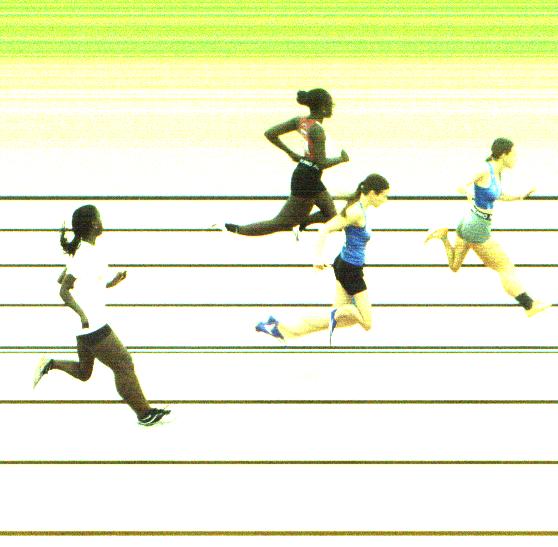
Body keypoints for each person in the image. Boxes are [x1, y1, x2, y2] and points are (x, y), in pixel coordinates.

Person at [32, 205, 171, 426]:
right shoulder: (85, 254)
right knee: (123, 363)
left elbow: (72, 279)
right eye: (99, 218)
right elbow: (63, 289)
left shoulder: (84, 251)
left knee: (84, 372)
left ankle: (50, 363)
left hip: (85, 326)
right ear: (93, 224)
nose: (102, 222)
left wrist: (113, 281)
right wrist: (83, 314)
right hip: (92, 324)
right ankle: (144, 413)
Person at [256, 174, 390, 345]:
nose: (385, 200)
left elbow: (337, 193)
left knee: (341, 320)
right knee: (366, 322)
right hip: (350, 270)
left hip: (346, 265)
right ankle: (347, 309)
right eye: (384, 195)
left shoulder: (359, 206)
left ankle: (283, 329)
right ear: (372, 193)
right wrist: (318, 257)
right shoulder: (355, 212)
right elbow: (325, 229)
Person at [425, 138, 550, 317]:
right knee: (505, 267)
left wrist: (521, 196)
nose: (516, 159)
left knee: (454, 266)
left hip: (468, 222)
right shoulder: (485, 169)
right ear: (503, 155)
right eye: (513, 155)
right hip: (477, 227)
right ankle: (529, 306)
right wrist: (468, 193)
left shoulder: (496, 172)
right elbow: (461, 184)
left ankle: (444, 236)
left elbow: (499, 195)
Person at [224, 88, 349, 237]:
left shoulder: (301, 122)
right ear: (322, 107)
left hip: (308, 174)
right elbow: (321, 163)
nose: (332, 107)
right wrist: (341, 159)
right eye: (330, 104)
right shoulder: (318, 130)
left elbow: (270, 133)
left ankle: (301, 223)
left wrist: (291, 153)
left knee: (331, 216)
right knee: (280, 223)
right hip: (307, 179)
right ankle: (236, 229)